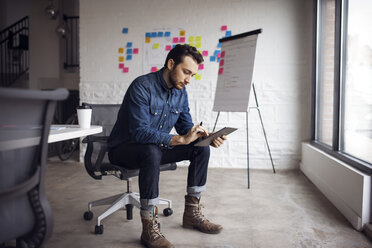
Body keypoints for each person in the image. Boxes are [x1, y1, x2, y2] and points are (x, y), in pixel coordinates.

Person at [108, 44, 227, 248]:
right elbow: (139, 132)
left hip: (154, 149)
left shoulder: (181, 93)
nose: (189, 79)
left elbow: (185, 128)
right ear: (171, 64)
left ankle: (192, 213)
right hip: (124, 149)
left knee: (200, 148)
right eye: (186, 72)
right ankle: (149, 226)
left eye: (192, 75)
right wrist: (179, 139)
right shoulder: (142, 86)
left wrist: (204, 137)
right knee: (151, 150)